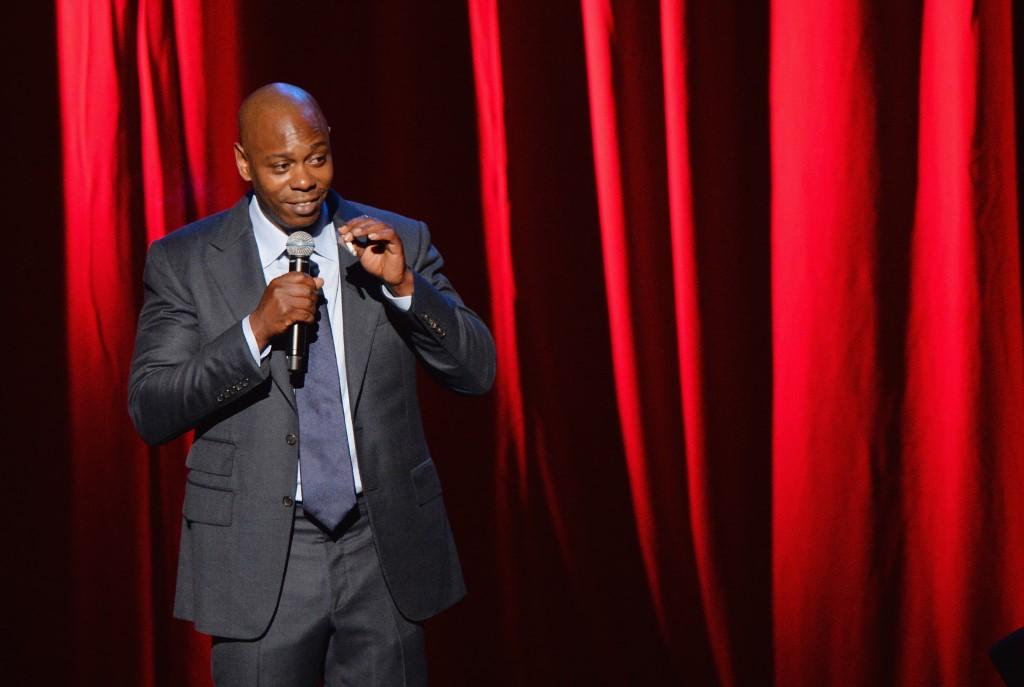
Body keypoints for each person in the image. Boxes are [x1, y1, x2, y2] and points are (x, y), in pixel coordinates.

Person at [128, 82, 495, 686]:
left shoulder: (395, 240)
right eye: (281, 165)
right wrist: (254, 331)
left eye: (317, 158)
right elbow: (152, 407)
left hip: (383, 551)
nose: (304, 180)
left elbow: (476, 371)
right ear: (245, 164)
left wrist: (405, 289)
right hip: (260, 557)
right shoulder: (186, 260)